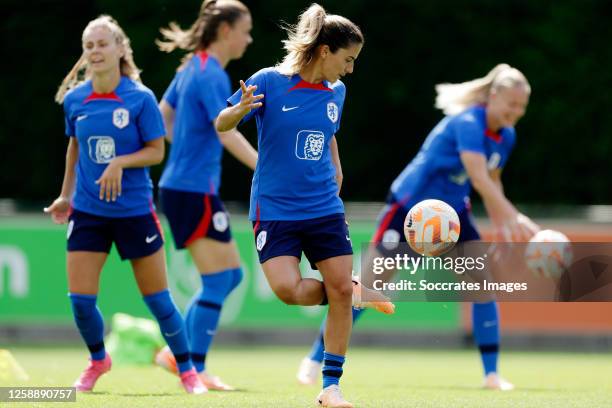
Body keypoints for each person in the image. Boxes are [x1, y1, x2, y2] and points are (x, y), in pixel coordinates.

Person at [297, 63, 539, 391]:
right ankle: (314, 359)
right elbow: (479, 177)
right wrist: (515, 217)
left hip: (452, 216)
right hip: (409, 210)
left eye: (522, 106)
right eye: (512, 103)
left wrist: (504, 223)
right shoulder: (468, 122)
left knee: (484, 286)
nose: (516, 111)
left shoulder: (505, 136)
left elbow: (493, 180)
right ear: (493, 96)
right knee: (365, 291)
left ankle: (491, 375)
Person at [216, 4, 393, 407]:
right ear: (325, 51)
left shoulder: (337, 92)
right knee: (287, 290)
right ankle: (350, 291)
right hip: (274, 209)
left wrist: (337, 165)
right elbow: (221, 125)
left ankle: (331, 387)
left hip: (324, 208)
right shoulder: (269, 82)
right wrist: (238, 110)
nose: (350, 70)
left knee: (339, 295)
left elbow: (328, 131)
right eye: (347, 60)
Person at [44, 15, 205, 394]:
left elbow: (155, 150)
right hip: (87, 212)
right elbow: (74, 149)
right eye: (89, 46)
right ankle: (98, 360)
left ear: (120, 49)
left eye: (102, 44)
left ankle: (188, 371)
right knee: (81, 302)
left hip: (134, 213)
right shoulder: (75, 99)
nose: (95, 51)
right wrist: (65, 196)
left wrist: (120, 161)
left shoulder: (140, 98)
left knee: (159, 302)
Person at [151, 0, 257, 391]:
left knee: (228, 276)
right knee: (220, 279)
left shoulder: (191, 66)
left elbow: (163, 116)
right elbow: (225, 129)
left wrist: (184, 148)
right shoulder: (211, 74)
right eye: (245, 30)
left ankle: (177, 357)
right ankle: (190, 364)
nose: (249, 38)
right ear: (226, 31)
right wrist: (264, 166)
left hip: (186, 187)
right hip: (191, 189)